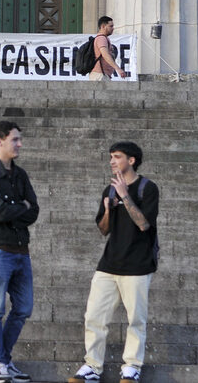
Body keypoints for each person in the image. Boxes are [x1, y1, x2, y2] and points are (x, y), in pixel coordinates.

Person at [68, 142, 159, 383]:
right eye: (111, 157)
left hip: (138, 265)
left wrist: (125, 196)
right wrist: (109, 209)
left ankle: (132, 366)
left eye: (117, 157)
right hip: (109, 263)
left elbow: (144, 224)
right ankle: (92, 366)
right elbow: (103, 229)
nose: (112, 161)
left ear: (131, 160)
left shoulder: (148, 188)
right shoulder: (109, 190)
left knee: (136, 319)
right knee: (94, 316)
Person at [0, 121, 39, 383]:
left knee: (23, 308)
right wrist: (18, 207)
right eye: (15, 139)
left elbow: (33, 210)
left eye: (19, 139)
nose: (19, 144)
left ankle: (2, 361)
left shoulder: (20, 175)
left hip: (21, 250)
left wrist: (14, 208)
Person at [89, 16, 126, 81]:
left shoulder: (103, 38)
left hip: (102, 74)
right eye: (110, 26)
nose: (113, 28)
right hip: (100, 75)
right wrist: (118, 68)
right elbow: (105, 54)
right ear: (103, 26)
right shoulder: (101, 38)